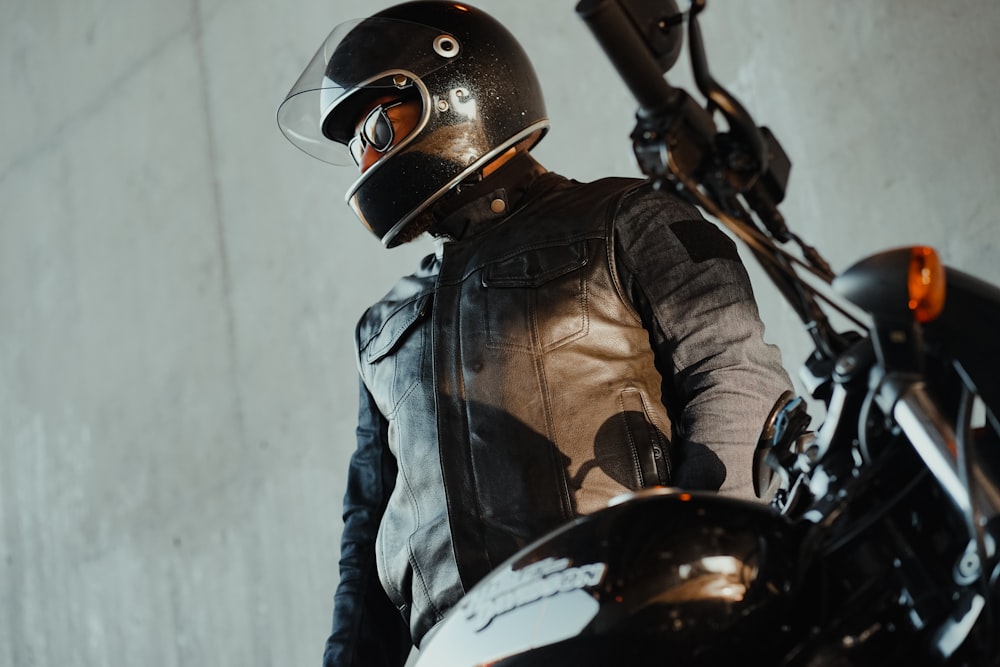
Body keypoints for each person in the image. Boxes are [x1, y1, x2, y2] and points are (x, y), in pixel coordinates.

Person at [277, 2, 794, 665]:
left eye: (378, 124)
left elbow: (733, 375)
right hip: (461, 650)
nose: (367, 158)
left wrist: (705, 577)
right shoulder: (381, 326)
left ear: (459, 92)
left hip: (626, 625)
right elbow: (366, 530)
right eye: (355, 144)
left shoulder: (626, 216)